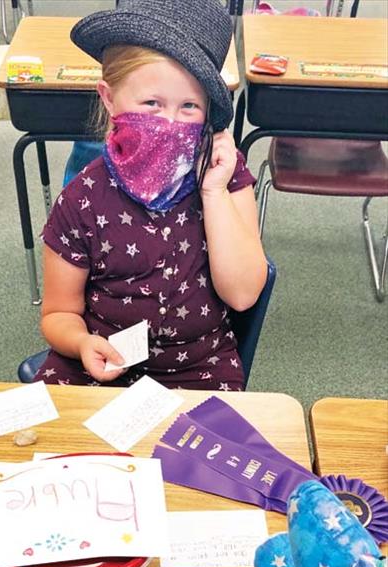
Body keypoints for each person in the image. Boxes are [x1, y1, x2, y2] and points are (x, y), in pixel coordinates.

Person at [35, 0, 267, 391]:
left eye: (189, 106)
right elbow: (58, 312)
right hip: (98, 364)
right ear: (109, 99)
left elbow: (243, 295)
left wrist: (213, 192)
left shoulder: (226, 177)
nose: (170, 123)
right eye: (152, 105)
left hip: (199, 367)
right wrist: (81, 342)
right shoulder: (82, 199)